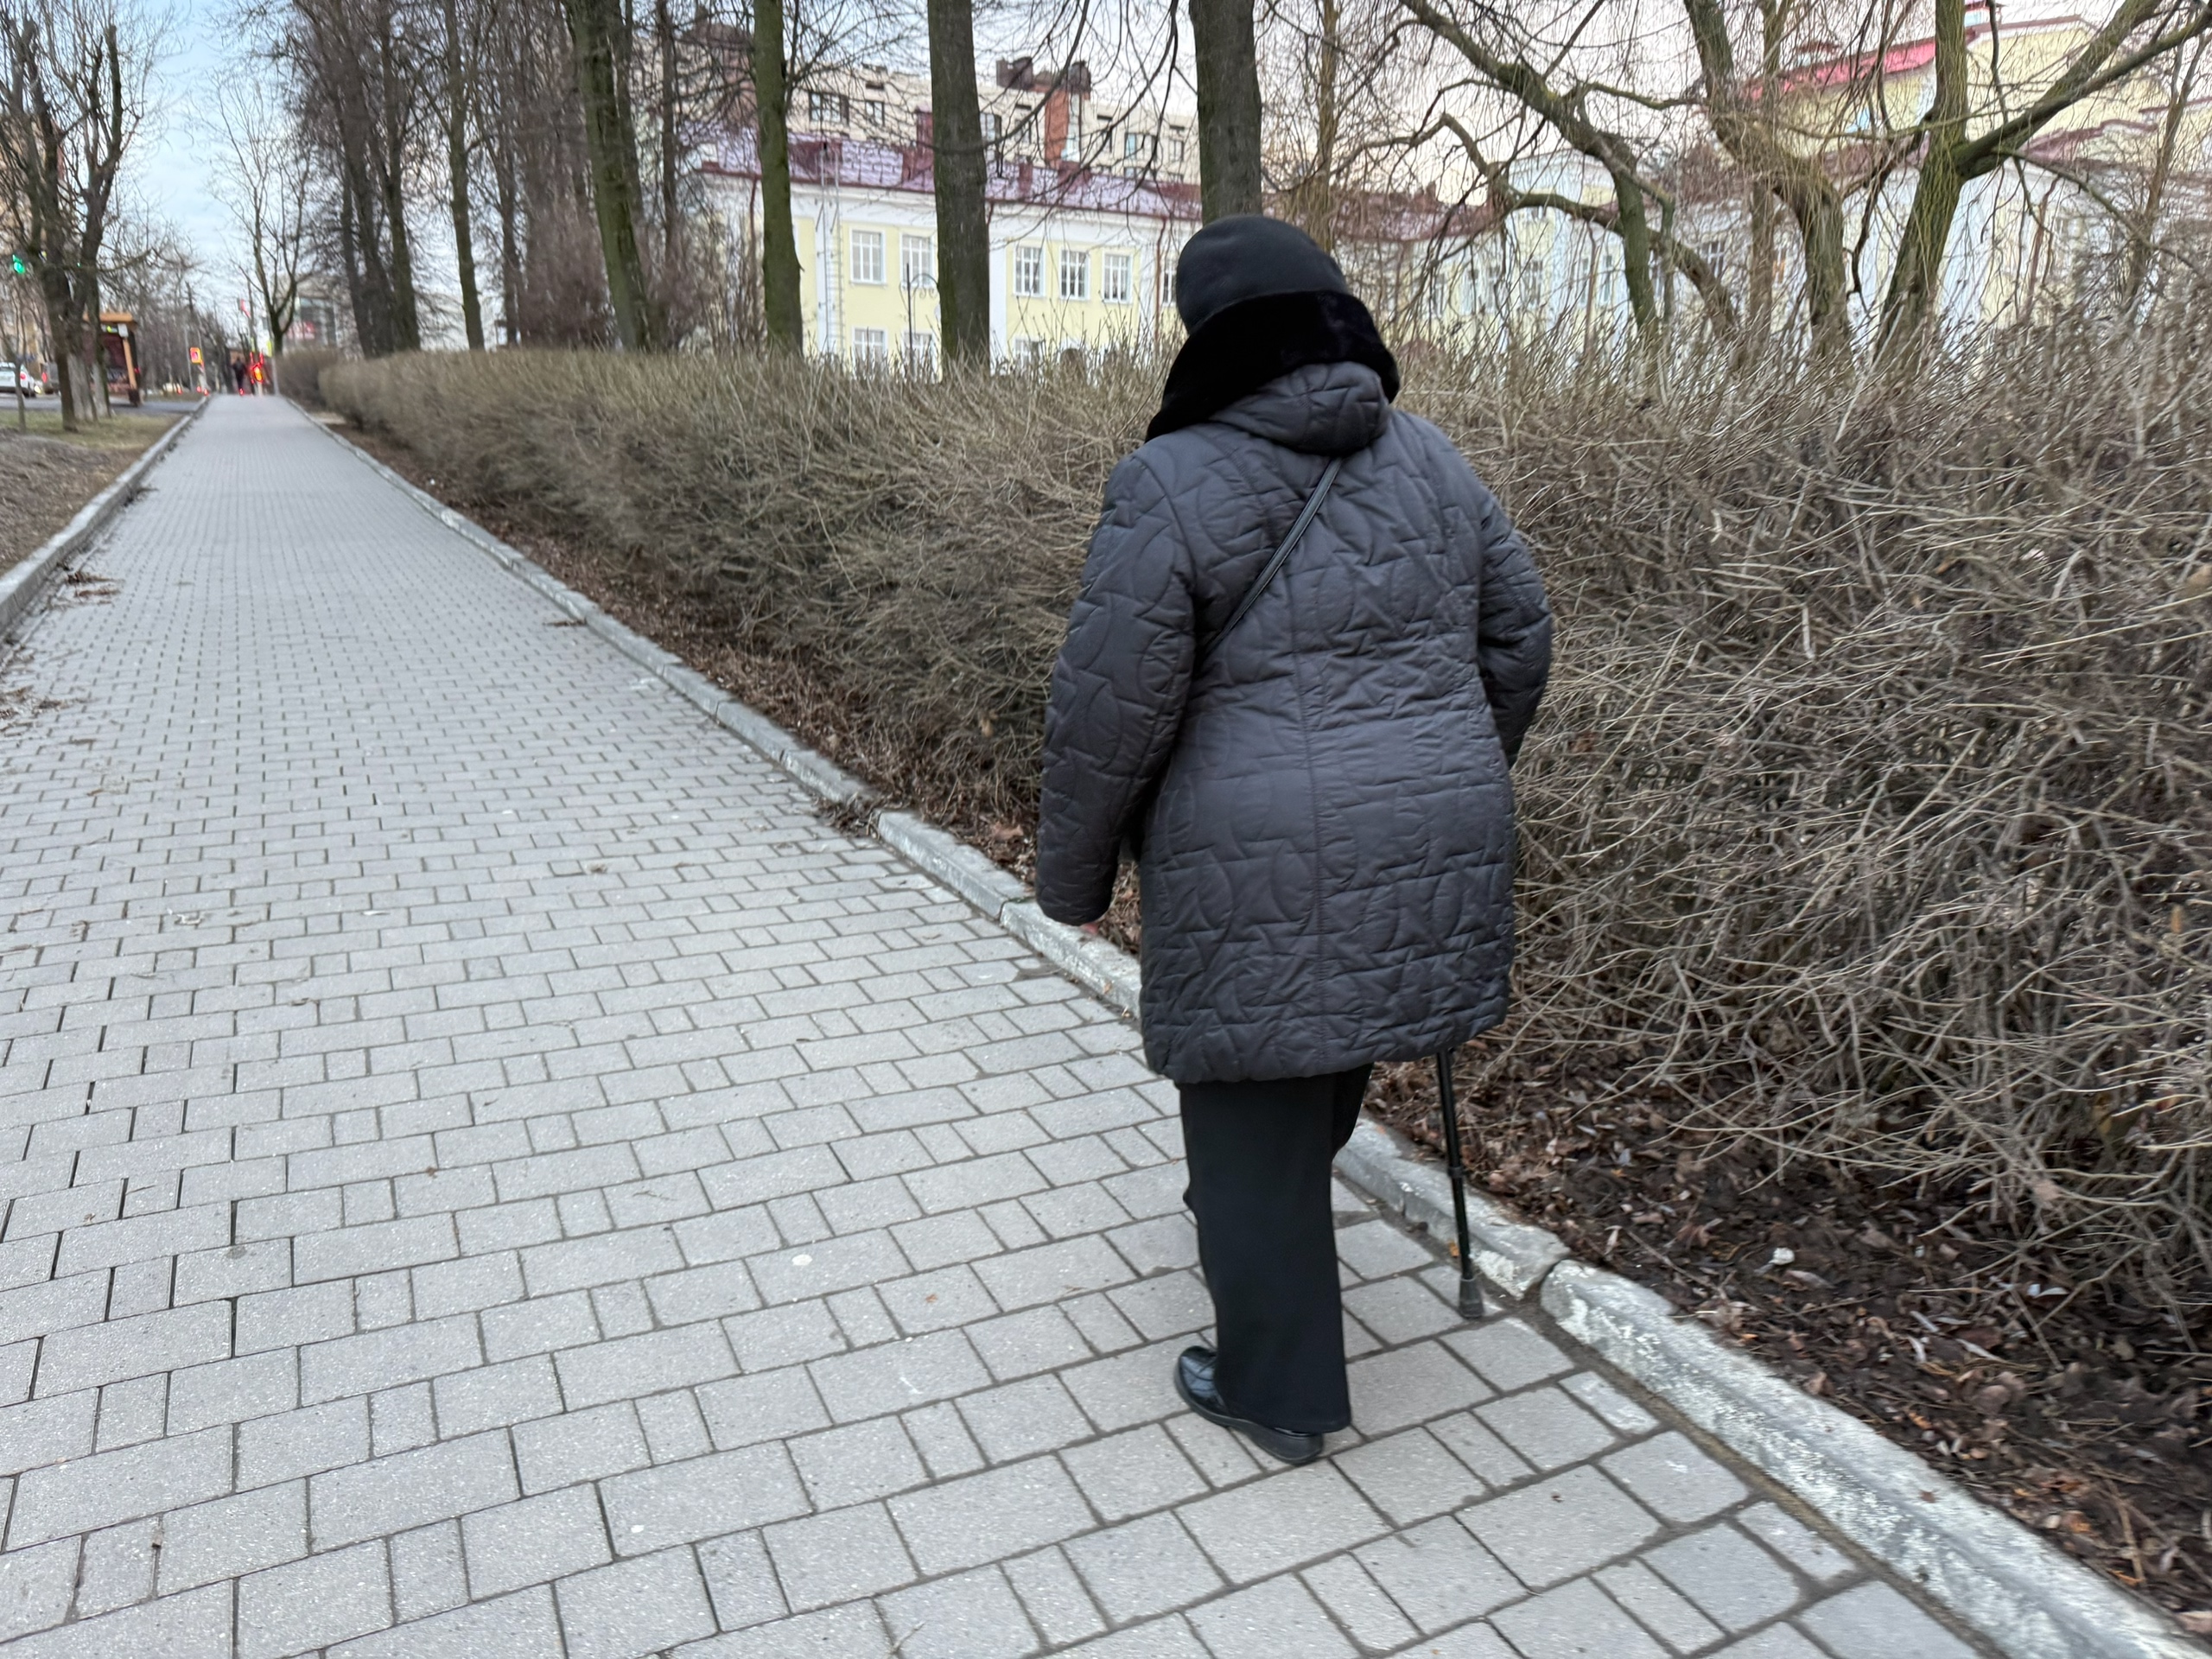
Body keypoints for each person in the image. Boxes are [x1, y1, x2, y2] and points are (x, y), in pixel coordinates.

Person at [1035, 215, 1554, 1466]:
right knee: (1323, 1046)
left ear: (1207, 336)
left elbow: (1109, 708)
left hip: (1251, 857)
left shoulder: (1168, 481)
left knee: (1251, 1091)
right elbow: (1521, 634)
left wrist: (1073, 877)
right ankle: (1253, 1223)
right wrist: (1445, 764)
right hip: (1423, 830)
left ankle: (1276, 1390)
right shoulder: (1430, 458)